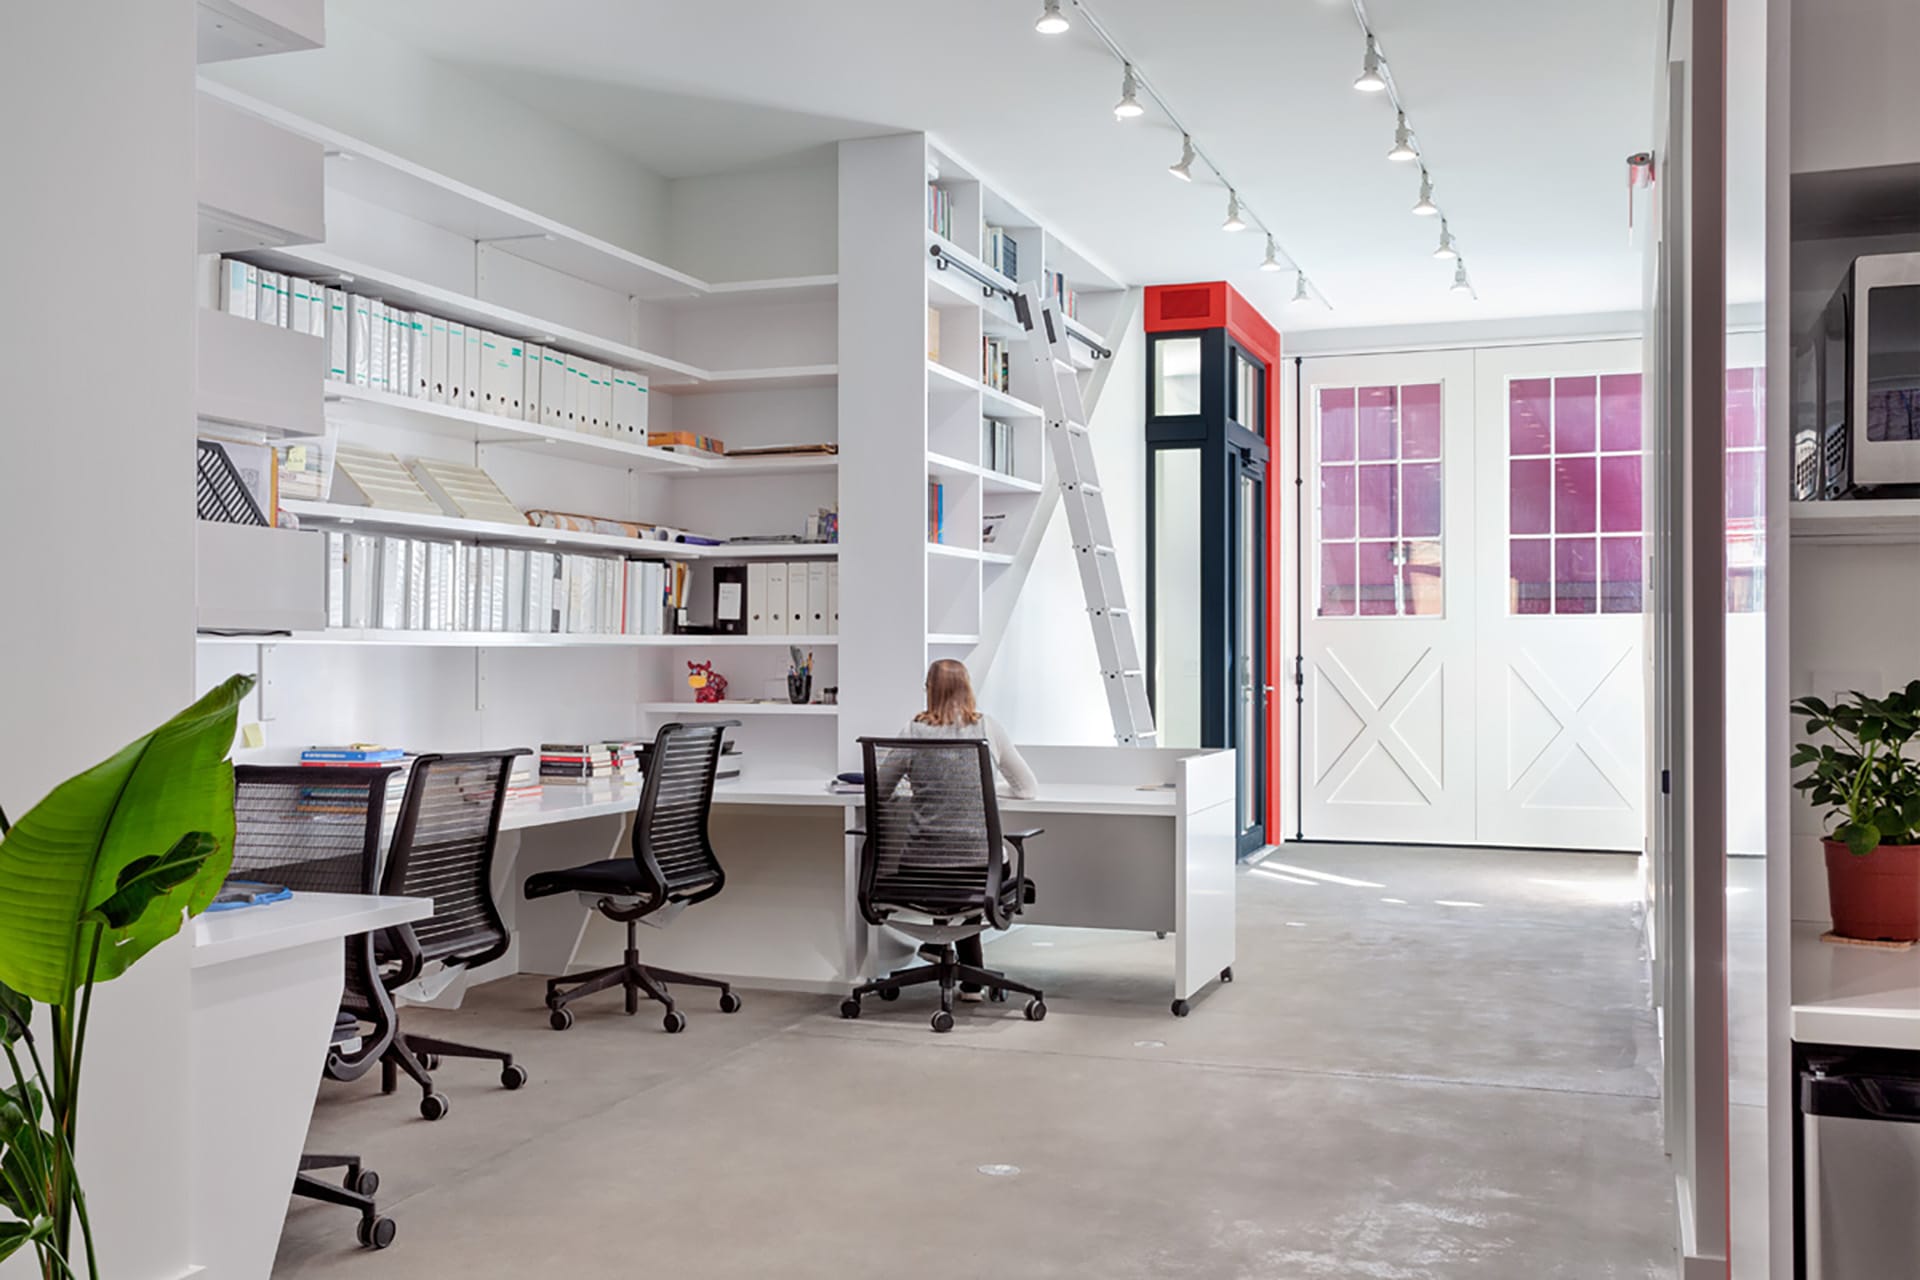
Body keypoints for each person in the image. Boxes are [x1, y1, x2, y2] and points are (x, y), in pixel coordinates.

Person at [877, 659, 1037, 1001]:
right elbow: (1026, 788)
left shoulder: (912, 731)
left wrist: (919, 787)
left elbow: (880, 790)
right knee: (975, 873)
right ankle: (968, 973)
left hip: (920, 873)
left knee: (952, 874)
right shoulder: (987, 728)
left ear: (929, 691)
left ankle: (956, 964)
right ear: (968, 689)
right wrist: (985, 792)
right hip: (980, 872)